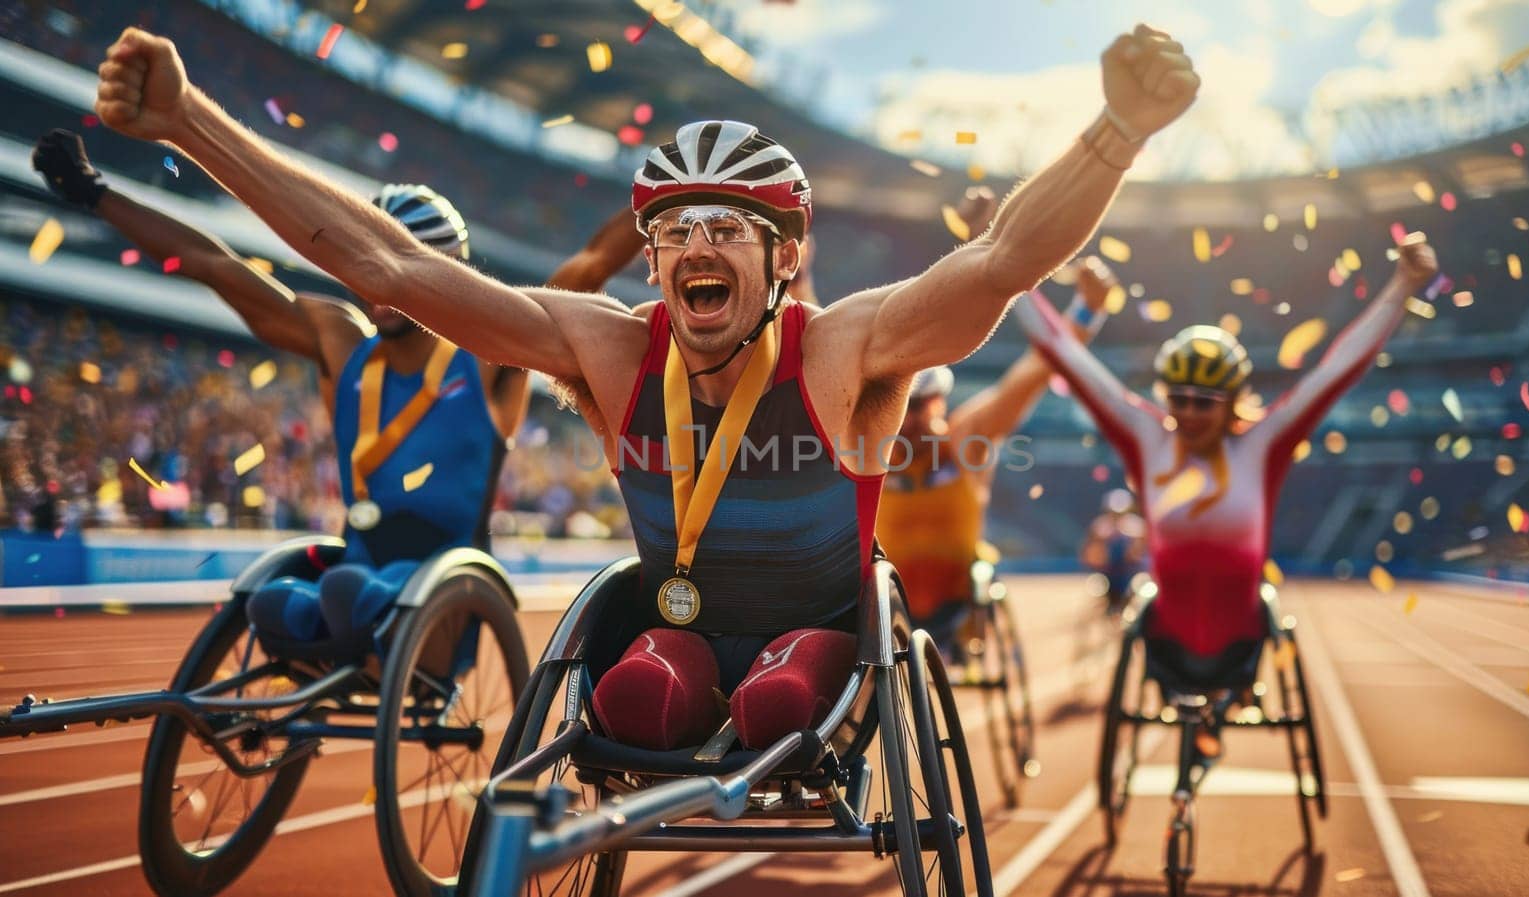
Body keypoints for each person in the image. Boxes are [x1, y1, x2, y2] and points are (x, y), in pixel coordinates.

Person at [91, 23, 1199, 751]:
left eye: (728, 228)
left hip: (821, 647)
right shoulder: (611, 351)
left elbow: (998, 262)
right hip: (672, 634)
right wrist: (191, 121)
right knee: (631, 698)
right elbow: (389, 267)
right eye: (673, 230)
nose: (694, 247)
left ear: (786, 257)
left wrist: (1117, 133)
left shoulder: (841, 352)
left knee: (773, 701)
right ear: (653, 256)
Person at [32, 129, 644, 649]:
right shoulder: (341, 343)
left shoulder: (493, 357)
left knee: (351, 592)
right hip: (358, 559)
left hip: (447, 582)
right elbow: (212, 263)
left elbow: (588, 264)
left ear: (442, 274)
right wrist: (95, 193)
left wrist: (668, 194)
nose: (378, 289)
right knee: (273, 603)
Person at [1017, 235, 1438, 755]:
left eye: (1206, 402)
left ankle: (1222, 708)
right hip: (1163, 642)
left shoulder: (1265, 444)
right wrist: (994, 257)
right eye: (1180, 399)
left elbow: (1335, 371)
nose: (1190, 414)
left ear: (1234, 401)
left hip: (1241, 644)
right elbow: (1063, 354)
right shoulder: (1144, 436)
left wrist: (1403, 284)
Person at [877, 240, 1119, 656]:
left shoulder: (964, 441)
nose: (907, 420)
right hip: (884, 606)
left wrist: (1088, 310)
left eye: (918, 407)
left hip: (958, 606)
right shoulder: (869, 444)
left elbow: (1031, 376)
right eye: (900, 407)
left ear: (939, 403)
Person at [1079, 488, 1147, 614]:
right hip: (1109, 573)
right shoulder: (1100, 526)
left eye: (1120, 513)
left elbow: (1140, 552)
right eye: (1114, 513)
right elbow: (1090, 552)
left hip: (1129, 572)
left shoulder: (1136, 526)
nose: (1117, 517)